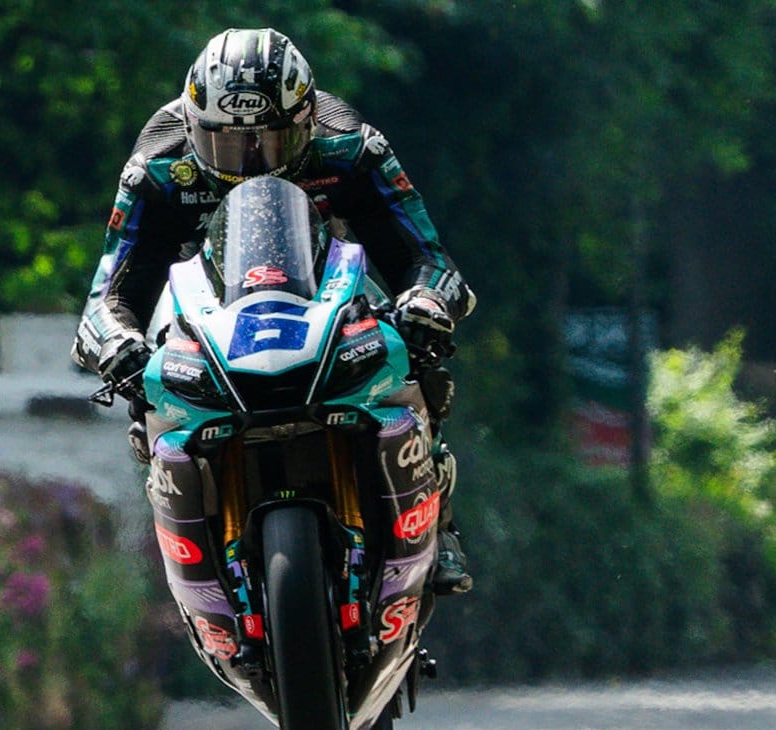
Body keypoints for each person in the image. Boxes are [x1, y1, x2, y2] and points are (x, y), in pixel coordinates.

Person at [70, 27, 475, 594]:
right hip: (210, 312)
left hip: (326, 294)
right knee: (145, 395)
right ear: (193, 127)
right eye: (228, 146)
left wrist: (427, 301)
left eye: (272, 143)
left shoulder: (353, 146)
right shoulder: (157, 168)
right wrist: (116, 344)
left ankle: (441, 516)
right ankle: (187, 541)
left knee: (416, 349)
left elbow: (426, 257)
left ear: (307, 122)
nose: (252, 164)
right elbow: (107, 294)